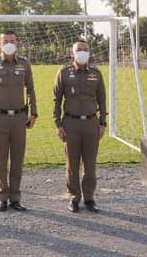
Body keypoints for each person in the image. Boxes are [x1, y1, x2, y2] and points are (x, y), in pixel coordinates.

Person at [0, 30, 37, 211]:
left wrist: (33, 112)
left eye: (12, 40)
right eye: (5, 41)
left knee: (18, 159)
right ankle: (2, 197)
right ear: (0, 44)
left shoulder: (24, 64)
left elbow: (30, 89)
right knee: (1, 160)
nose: (9, 43)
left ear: (17, 43)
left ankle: (15, 198)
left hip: (19, 119)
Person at [52, 39, 107, 213]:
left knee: (90, 164)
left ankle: (89, 198)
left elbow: (102, 100)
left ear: (89, 53)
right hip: (71, 123)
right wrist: (57, 124)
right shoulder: (63, 73)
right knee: (72, 164)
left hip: (91, 123)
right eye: (78, 50)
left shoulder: (96, 74)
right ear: (72, 53)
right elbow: (56, 100)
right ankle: (74, 197)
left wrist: (102, 123)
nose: (82, 52)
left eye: (85, 49)